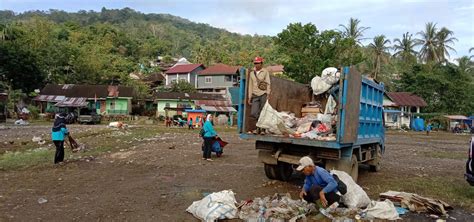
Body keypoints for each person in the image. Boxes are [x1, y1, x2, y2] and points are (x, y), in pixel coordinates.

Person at [247, 56, 271, 135]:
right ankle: (259, 126)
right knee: (254, 112)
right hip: (255, 95)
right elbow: (250, 86)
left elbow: (268, 83)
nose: (256, 65)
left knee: (263, 111)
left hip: (263, 94)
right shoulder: (251, 73)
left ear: (261, 63)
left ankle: (262, 129)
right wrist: (249, 97)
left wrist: (268, 93)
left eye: (258, 63)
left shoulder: (265, 72)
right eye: (255, 63)